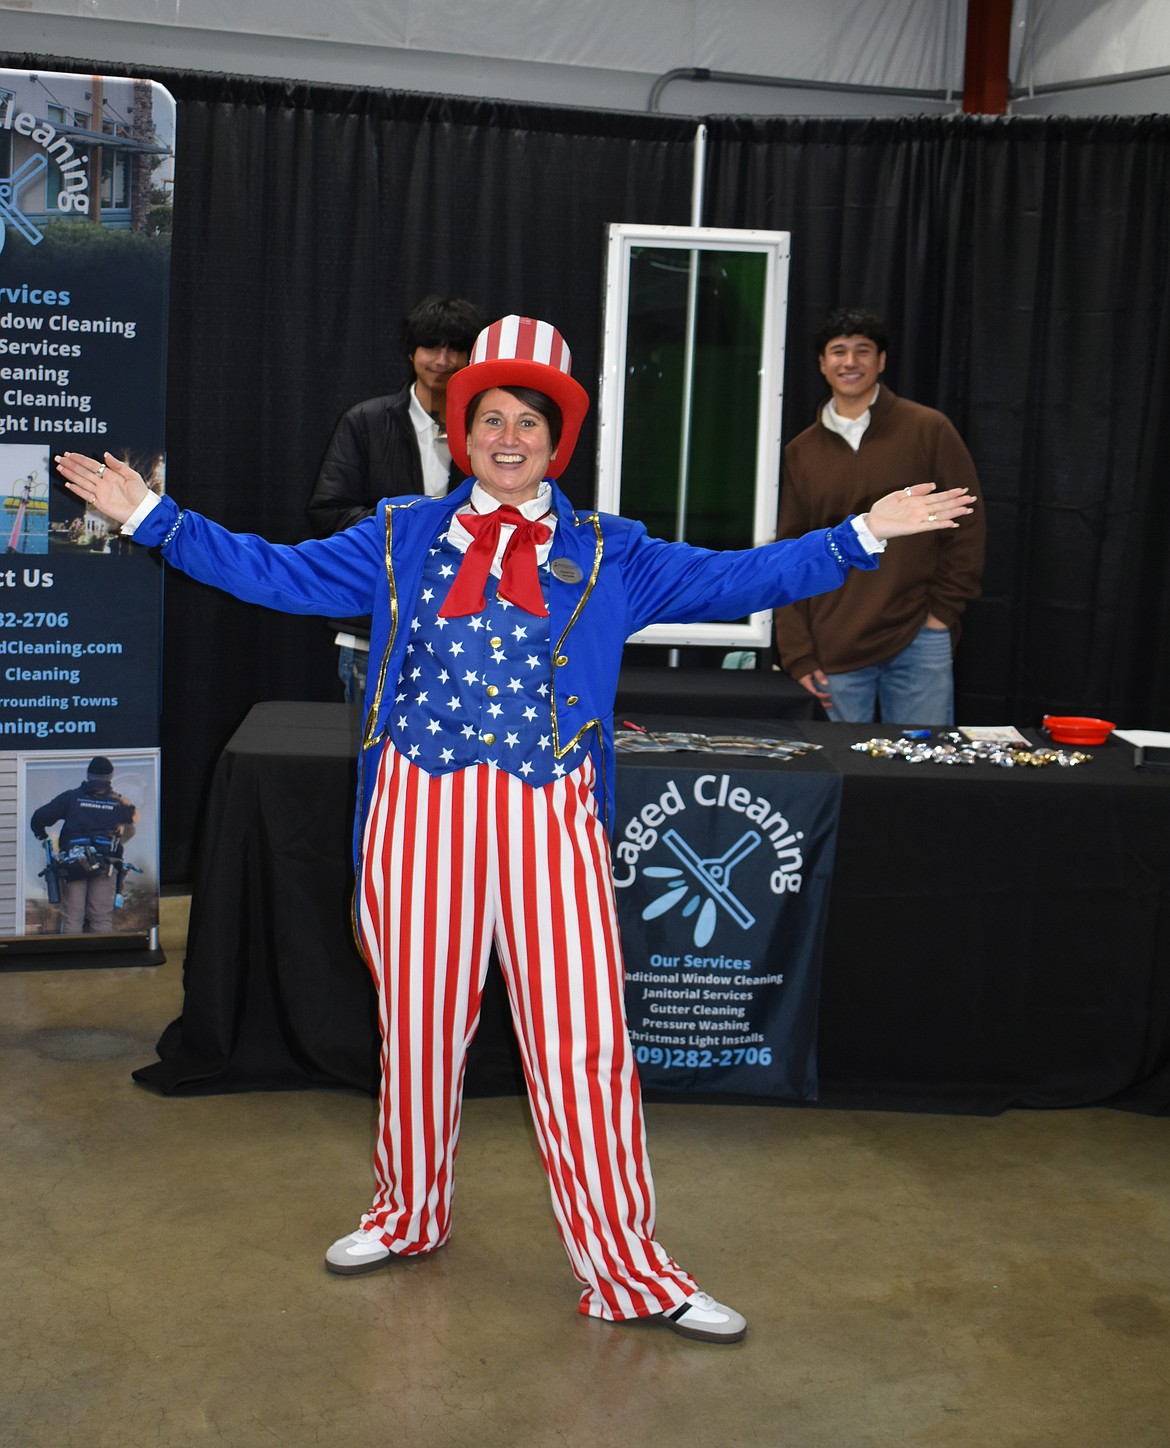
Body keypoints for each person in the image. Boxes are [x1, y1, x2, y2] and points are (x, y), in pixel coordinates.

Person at [55, 314, 974, 1344]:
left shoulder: (606, 549)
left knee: (583, 1042)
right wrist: (157, 519)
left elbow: (737, 578)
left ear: (555, 439)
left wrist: (861, 534)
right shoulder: (402, 533)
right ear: (460, 432)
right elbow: (278, 572)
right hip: (418, 805)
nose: (504, 436)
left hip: (552, 811)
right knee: (419, 1027)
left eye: (526, 420)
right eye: (486, 416)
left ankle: (628, 1268)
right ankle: (408, 1212)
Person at [774, 308, 986, 725]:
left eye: (862, 350)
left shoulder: (928, 429)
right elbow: (792, 552)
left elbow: (967, 525)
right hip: (833, 644)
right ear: (822, 364)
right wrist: (797, 653)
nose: (849, 362)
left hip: (919, 638)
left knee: (921, 777)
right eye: (838, 351)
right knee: (841, 775)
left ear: (882, 361)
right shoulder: (801, 450)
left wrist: (941, 614)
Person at [308, 295, 484, 701]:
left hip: (468, 631)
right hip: (375, 628)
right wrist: (414, 531)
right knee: (373, 759)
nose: (442, 360)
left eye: (456, 349)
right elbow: (328, 511)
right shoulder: (366, 422)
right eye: (431, 346)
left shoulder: (492, 430)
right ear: (411, 352)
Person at [30, 756, 139, 934]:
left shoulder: (72, 797)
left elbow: (40, 817)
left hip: (74, 865)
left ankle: (72, 959)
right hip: (106, 866)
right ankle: (100, 959)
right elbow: (133, 823)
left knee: (72, 917)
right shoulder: (119, 803)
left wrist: (41, 833)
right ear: (110, 777)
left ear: (89, 775)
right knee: (101, 917)